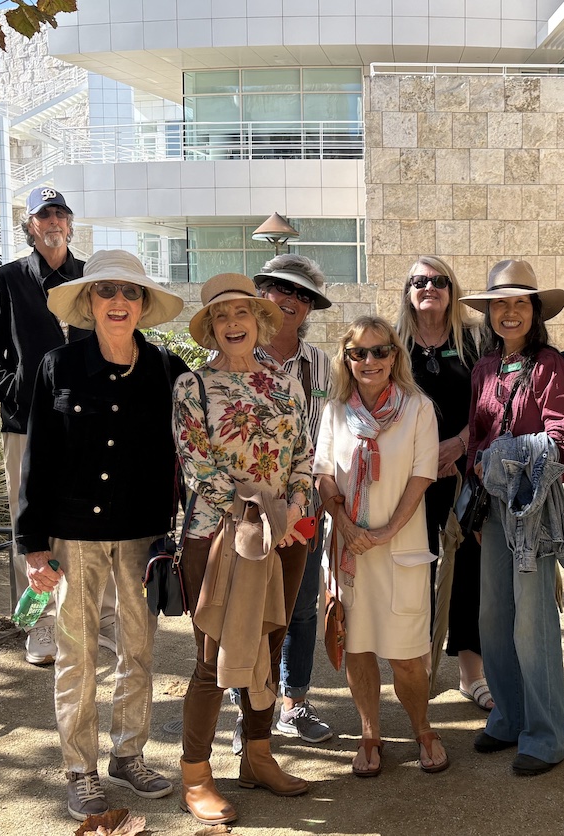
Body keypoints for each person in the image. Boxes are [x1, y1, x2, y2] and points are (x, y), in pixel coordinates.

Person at [15, 250, 187, 821]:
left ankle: (129, 754)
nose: (118, 301)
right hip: (74, 534)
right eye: (106, 290)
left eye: (130, 292)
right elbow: (37, 458)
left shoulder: (167, 369)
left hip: (143, 536)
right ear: (89, 302)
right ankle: (80, 769)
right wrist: (32, 545)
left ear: (142, 305)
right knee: (77, 655)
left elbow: (193, 450)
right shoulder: (57, 367)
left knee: (138, 650)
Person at [174, 273, 313, 826]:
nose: (233, 324)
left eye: (243, 314)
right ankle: (196, 775)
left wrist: (294, 510)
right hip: (218, 537)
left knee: (269, 651)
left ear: (259, 322)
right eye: (222, 317)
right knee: (213, 661)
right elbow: (196, 465)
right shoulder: (192, 388)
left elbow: (304, 451)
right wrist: (252, 512)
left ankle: (259, 757)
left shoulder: (285, 381)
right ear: (211, 329)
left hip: (286, 536)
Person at [0, 187, 118, 666]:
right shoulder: (7, 279)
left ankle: (100, 616)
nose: (53, 220)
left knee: (93, 512)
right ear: (30, 226)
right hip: (25, 423)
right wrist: (16, 390)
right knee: (28, 517)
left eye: (60, 212)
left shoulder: (92, 278)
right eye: (43, 214)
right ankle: (40, 624)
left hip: (87, 421)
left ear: (71, 224)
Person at [461, 260, 564, 776]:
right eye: (500, 304)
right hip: (491, 509)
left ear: (534, 312)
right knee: (493, 618)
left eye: (519, 303)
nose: (509, 312)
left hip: (531, 509)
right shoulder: (484, 369)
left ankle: (546, 733)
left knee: (533, 623)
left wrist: (506, 457)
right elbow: (475, 436)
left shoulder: (551, 365)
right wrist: (479, 470)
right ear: (489, 313)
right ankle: (509, 717)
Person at [314, 316, 447, 777]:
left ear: (395, 355)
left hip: (400, 546)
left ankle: (422, 726)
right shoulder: (334, 410)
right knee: (359, 648)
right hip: (350, 552)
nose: (369, 361)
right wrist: (345, 523)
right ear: (346, 360)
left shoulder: (417, 408)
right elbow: (324, 472)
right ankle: (370, 732)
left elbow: (422, 474)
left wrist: (388, 530)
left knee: (408, 657)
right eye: (358, 353)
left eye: (379, 351)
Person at [395, 256, 491, 710]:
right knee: (416, 570)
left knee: (469, 569)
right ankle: (421, 669)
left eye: (439, 281)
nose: (429, 287)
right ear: (408, 291)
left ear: (452, 290)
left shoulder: (475, 341)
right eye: (419, 281)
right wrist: (420, 459)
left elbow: (493, 405)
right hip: (410, 478)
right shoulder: (392, 346)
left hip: (465, 473)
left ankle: (472, 674)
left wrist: (458, 445)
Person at [250, 255, 333, 746]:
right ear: (261, 292)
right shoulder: (236, 351)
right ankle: (249, 709)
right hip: (250, 509)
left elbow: (325, 432)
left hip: (305, 506)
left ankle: (294, 703)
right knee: (250, 608)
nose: (290, 300)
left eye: (302, 294)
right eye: (281, 288)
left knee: (302, 605)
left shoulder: (321, 363)